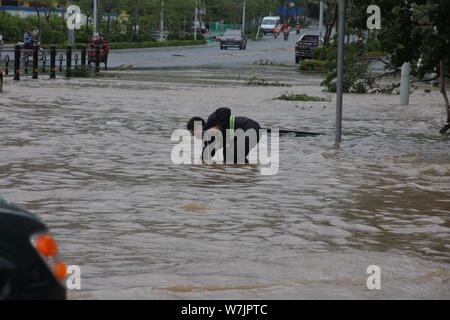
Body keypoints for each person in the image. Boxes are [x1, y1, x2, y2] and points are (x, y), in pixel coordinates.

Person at [187, 107, 261, 164]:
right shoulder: (208, 139)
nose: (196, 137)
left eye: (194, 134)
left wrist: (217, 126)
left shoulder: (211, 120)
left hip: (250, 128)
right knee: (227, 157)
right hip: (241, 135)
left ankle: (244, 174)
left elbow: (225, 110)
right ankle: (244, 173)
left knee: (233, 156)